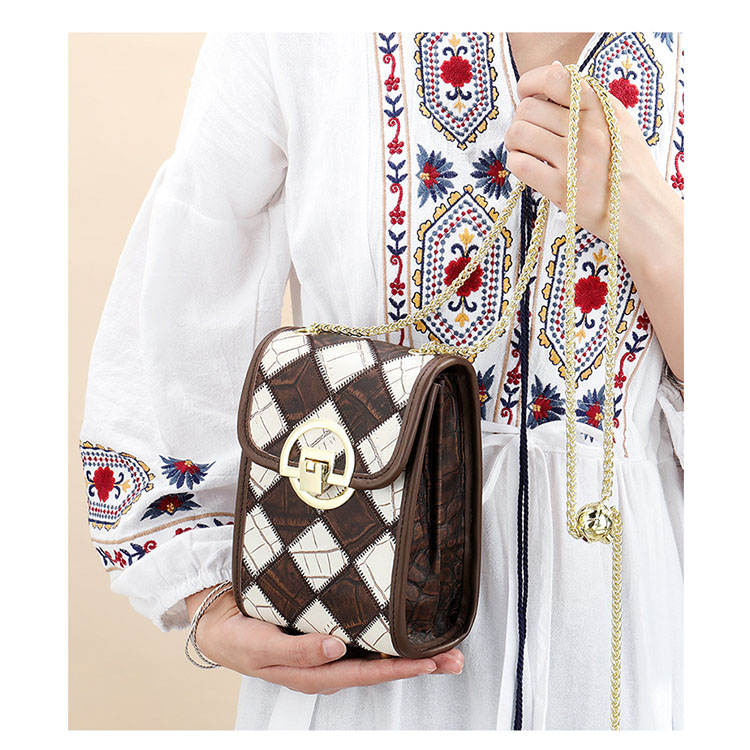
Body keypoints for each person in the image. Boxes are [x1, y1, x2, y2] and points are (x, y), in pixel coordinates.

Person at [79, 31, 684, 730]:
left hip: (626, 650)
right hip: (354, 622)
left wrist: (655, 226)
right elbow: (182, 293)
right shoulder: (295, 35)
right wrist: (204, 591)